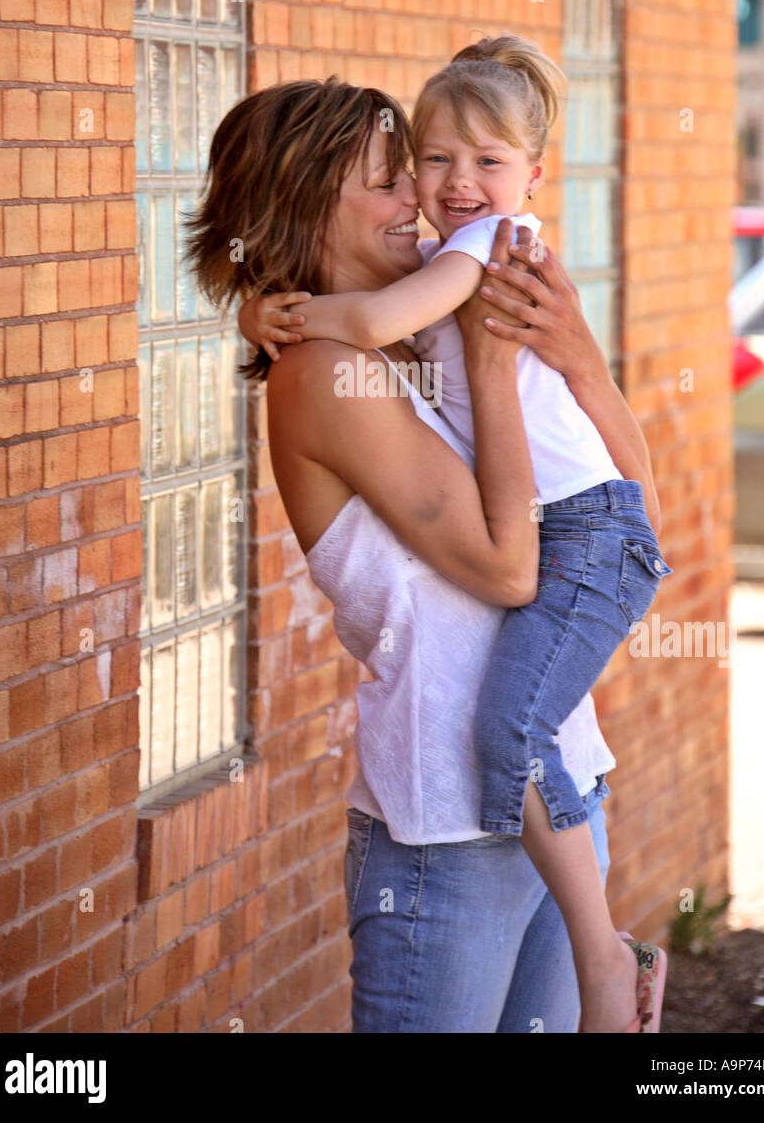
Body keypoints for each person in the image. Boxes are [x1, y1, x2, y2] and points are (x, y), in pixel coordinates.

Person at [183, 74, 660, 1032]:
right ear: (307, 201)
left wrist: (580, 362)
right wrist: (488, 360)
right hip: (444, 830)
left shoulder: (420, 321)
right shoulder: (325, 372)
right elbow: (510, 570)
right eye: (389, 181)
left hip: (557, 786)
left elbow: (633, 501)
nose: (424, 200)